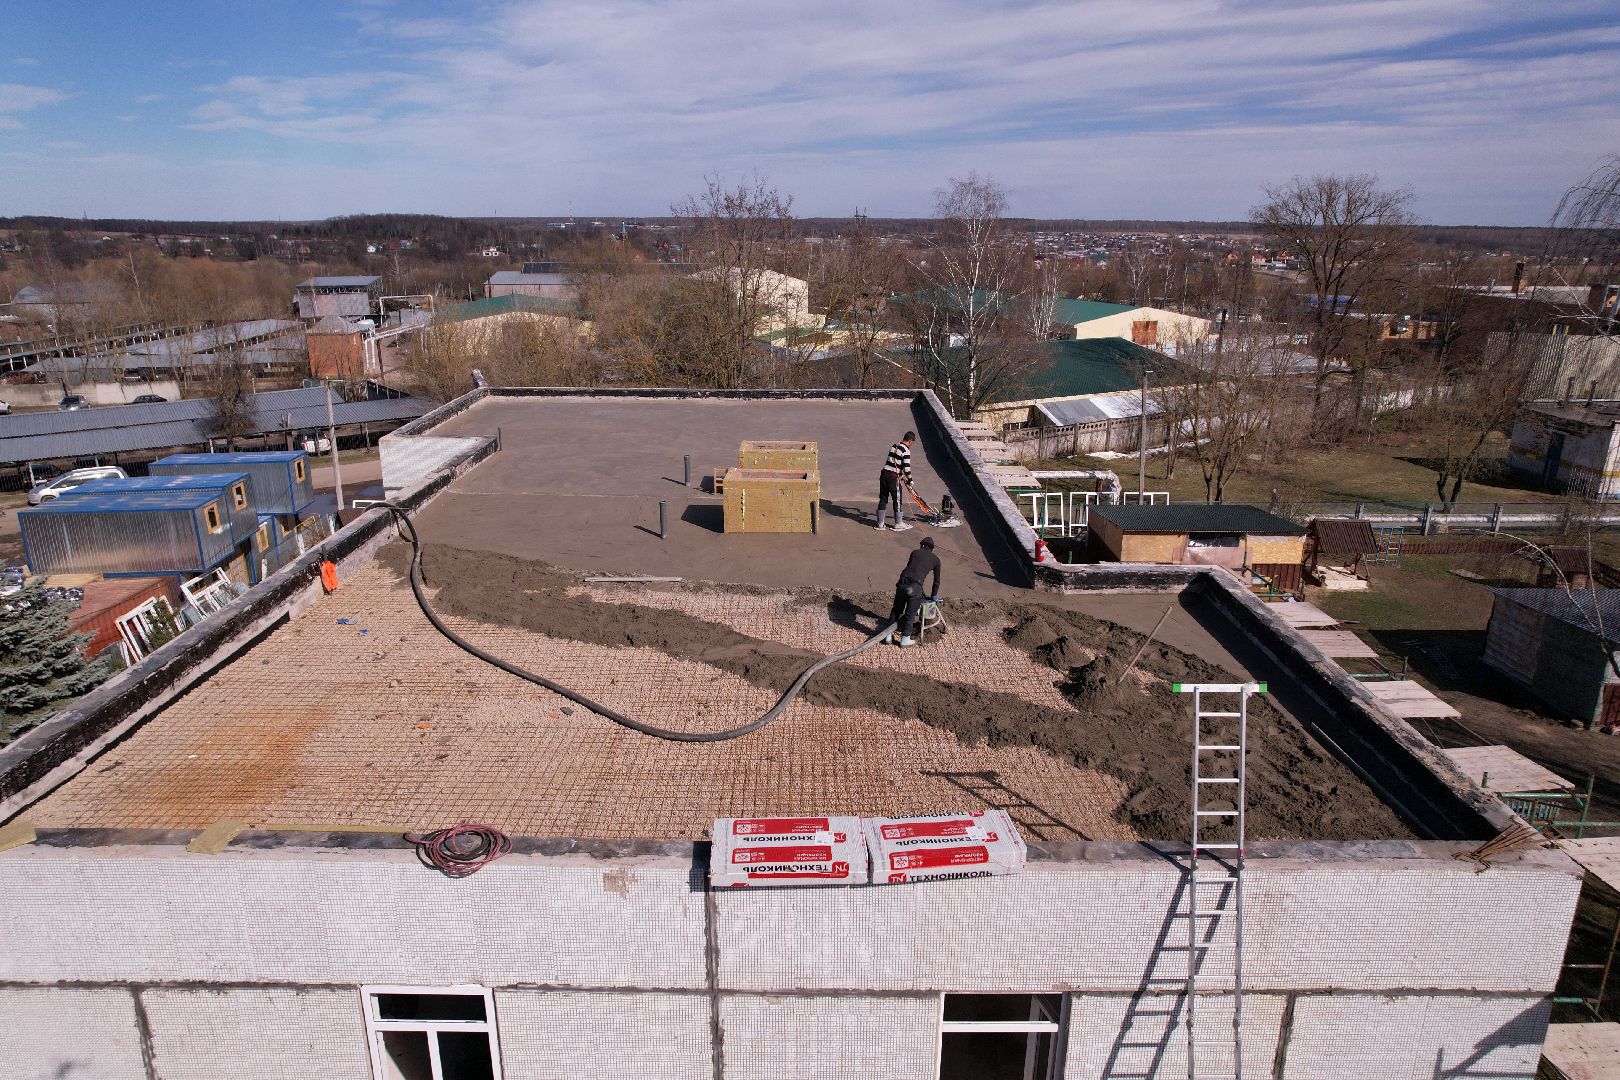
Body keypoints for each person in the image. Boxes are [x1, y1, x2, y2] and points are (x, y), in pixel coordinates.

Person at [883, 536, 941, 647]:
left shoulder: (914, 553)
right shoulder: (936, 560)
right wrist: (933, 596)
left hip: (902, 582)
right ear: (932, 549)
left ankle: (888, 636)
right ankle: (905, 639)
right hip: (915, 587)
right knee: (910, 614)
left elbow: (911, 568)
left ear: (922, 546)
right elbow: (936, 581)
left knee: (896, 610)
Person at [877, 430, 916, 531]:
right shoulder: (906, 450)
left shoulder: (894, 446)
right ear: (910, 441)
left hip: (884, 475)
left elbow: (892, 463)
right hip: (893, 479)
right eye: (912, 442)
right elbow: (907, 469)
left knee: (883, 499)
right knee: (897, 500)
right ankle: (898, 523)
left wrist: (901, 475)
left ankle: (880, 524)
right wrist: (910, 481)